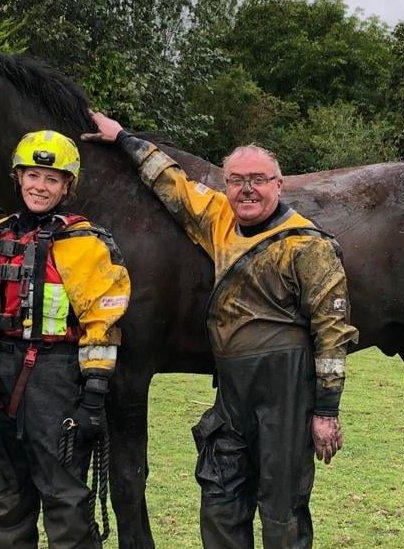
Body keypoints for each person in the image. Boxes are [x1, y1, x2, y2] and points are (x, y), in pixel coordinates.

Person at [83, 113, 358, 548]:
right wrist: (124, 139)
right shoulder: (220, 220)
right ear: (226, 185)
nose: (247, 188)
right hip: (231, 389)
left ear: (279, 185)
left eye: (259, 179)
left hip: (285, 392)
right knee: (220, 498)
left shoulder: (308, 245)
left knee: (281, 506)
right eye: (236, 179)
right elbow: (172, 184)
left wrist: (325, 411)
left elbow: (332, 331)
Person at [0, 129, 130, 548]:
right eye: (33, 176)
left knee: (63, 495)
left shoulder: (85, 244)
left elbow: (104, 321)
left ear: (66, 187)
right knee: (4, 495)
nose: (40, 187)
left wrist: (94, 397)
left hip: (55, 378)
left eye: (52, 179)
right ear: (18, 177)